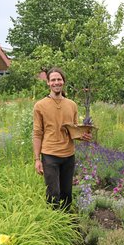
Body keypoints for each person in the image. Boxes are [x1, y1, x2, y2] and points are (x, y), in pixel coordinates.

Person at [33, 67, 91, 210]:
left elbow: (74, 131)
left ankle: (66, 226)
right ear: (48, 82)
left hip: (68, 155)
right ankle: (52, 226)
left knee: (67, 194)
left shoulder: (72, 105)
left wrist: (83, 137)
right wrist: (37, 159)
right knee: (53, 194)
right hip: (50, 155)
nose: (56, 82)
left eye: (59, 79)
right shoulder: (40, 106)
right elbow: (37, 133)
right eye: (53, 80)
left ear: (63, 82)